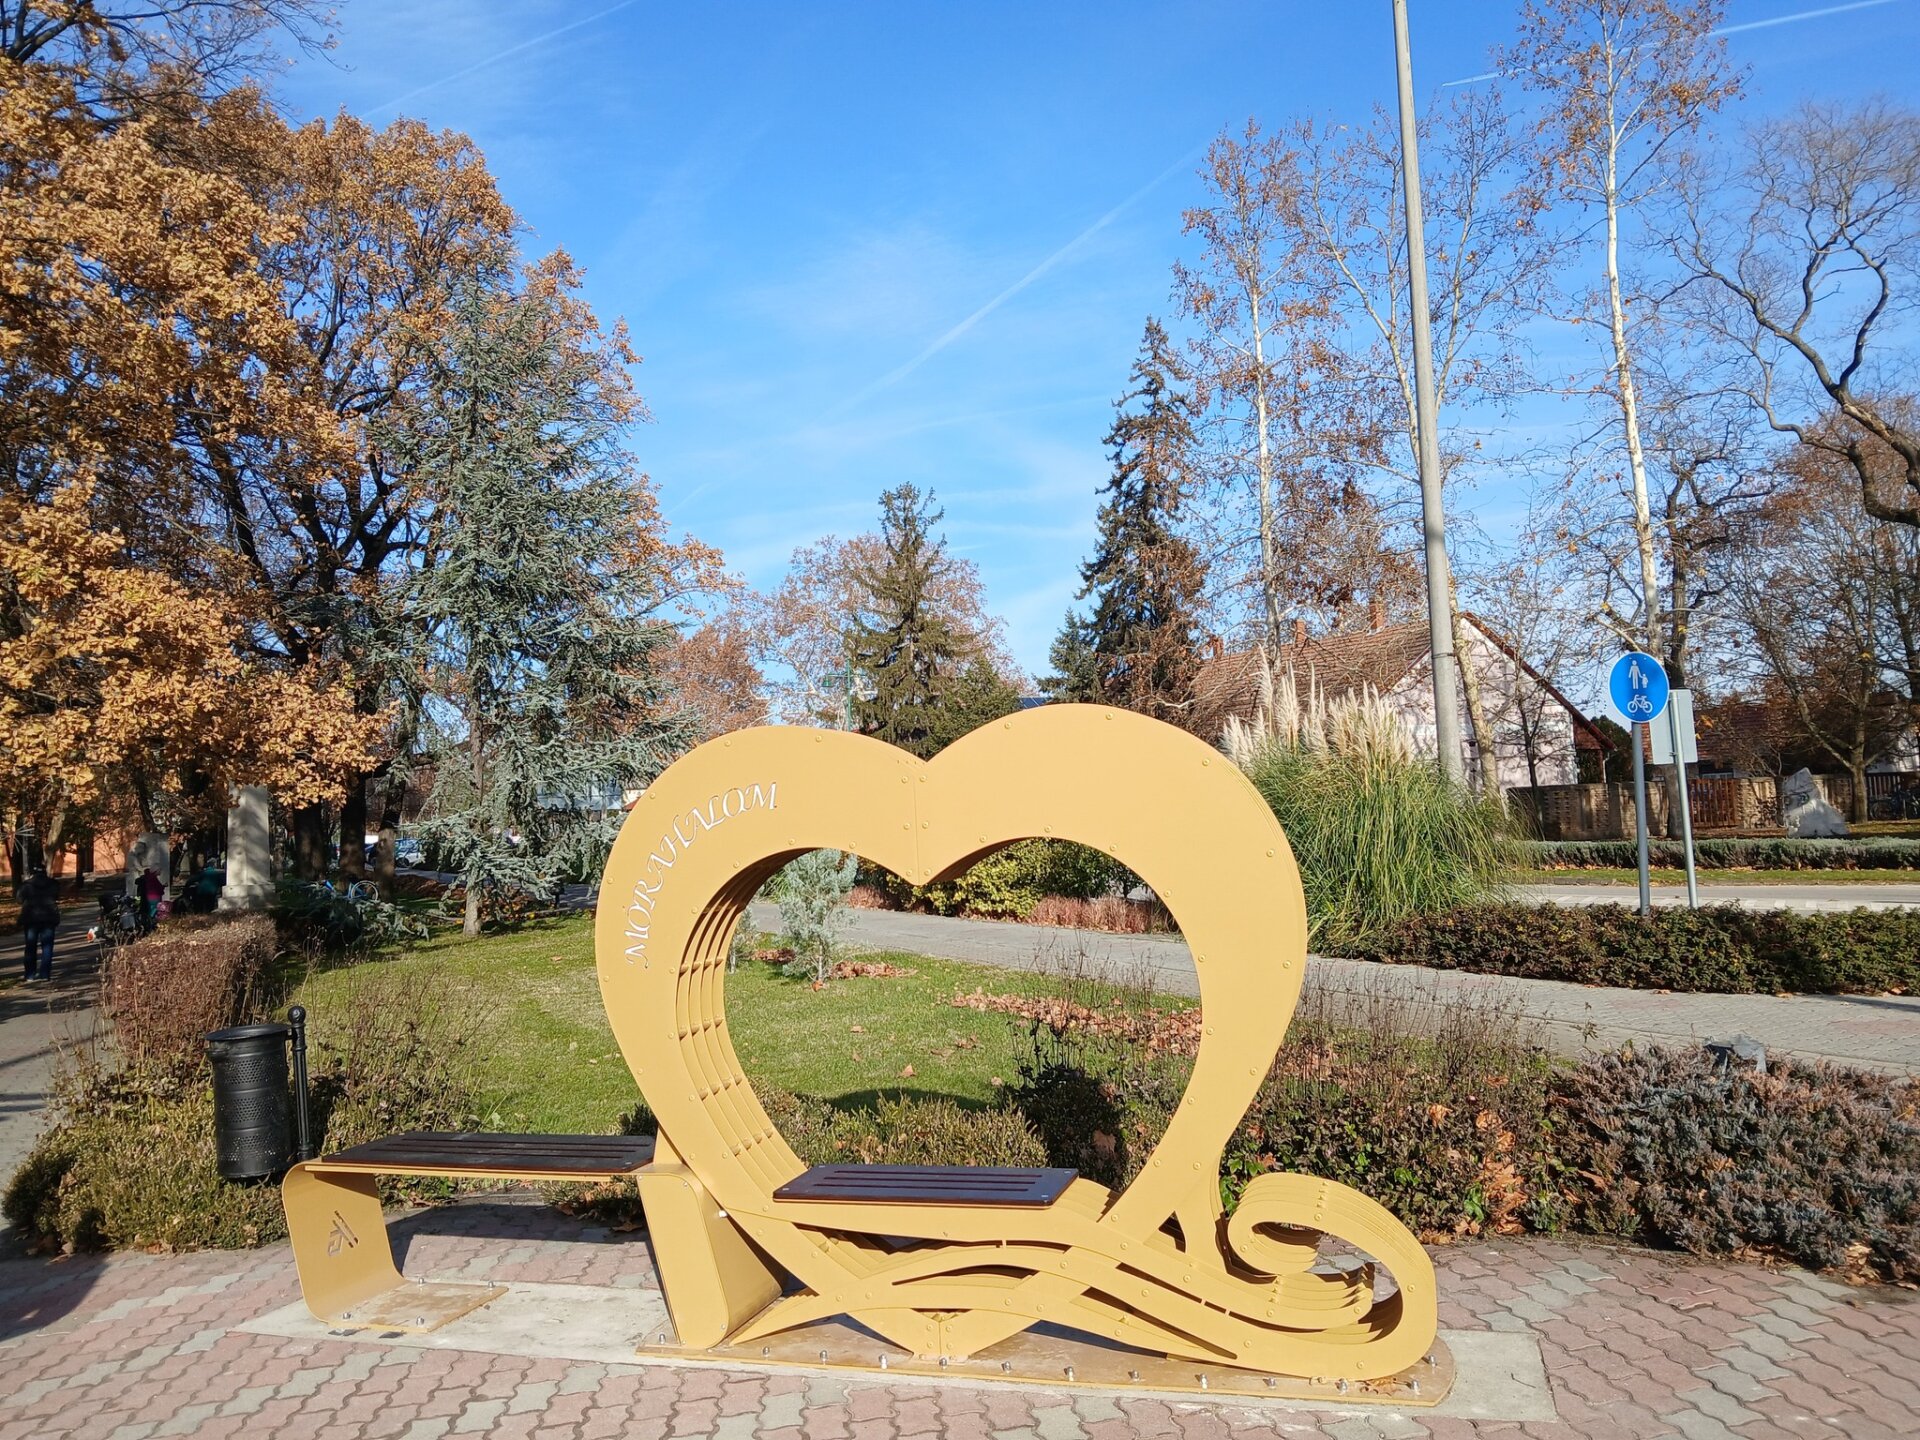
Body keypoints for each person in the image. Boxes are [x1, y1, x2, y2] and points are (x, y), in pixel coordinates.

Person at [19, 864, 59, 983]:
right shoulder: (53, 883)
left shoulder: (26, 885)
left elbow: (19, 899)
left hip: (31, 919)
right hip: (49, 918)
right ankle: (45, 974)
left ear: (33, 873)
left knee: (30, 947)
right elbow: (56, 896)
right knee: (47, 946)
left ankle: (30, 974)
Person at [136, 864, 165, 929]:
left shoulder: (149, 877)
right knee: (154, 910)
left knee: (151, 909)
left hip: (150, 896)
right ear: (156, 871)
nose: (160, 871)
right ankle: (151, 923)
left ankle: (149, 923)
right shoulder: (153, 878)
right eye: (159, 870)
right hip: (154, 896)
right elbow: (157, 888)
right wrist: (162, 887)